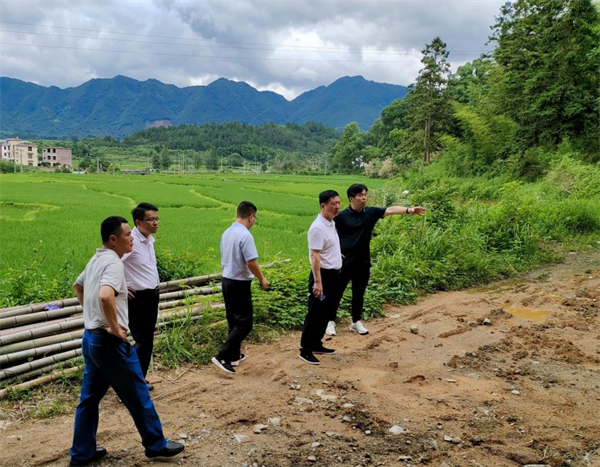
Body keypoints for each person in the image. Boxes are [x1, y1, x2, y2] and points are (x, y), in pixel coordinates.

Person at [69, 216, 183, 466]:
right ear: (113, 239)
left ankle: (82, 453)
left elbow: (78, 287)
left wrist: (93, 317)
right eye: (127, 235)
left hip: (91, 339)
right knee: (138, 393)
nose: (132, 238)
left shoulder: (96, 259)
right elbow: (105, 295)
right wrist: (113, 326)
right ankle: (156, 444)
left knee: (89, 399)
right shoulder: (113, 263)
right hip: (108, 343)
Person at [327, 184, 425, 336]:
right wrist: (334, 253)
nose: (364, 197)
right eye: (360, 195)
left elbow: (390, 210)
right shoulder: (341, 216)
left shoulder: (371, 213)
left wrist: (409, 210)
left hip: (363, 262)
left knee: (359, 293)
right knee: (336, 293)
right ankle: (330, 321)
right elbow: (328, 234)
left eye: (365, 194)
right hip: (344, 263)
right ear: (351, 198)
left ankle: (356, 321)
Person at [212, 201, 269, 374]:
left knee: (234, 321)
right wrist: (262, 278)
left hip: (227, 281)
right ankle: (222, 356)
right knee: (245, 323)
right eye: (255, 218)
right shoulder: (245, 235)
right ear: (251, 217)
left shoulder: (227, 232)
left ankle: (234, 355)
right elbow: (251, 262)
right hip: (239, 283)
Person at [299, 190, 342, 365]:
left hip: (333, 275)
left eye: (338, 203)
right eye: (333, 204)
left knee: (326, 312)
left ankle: (316, 343)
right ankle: (305, 349)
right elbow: (314, 256)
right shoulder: (317, 227)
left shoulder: (331, 222)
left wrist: (336, 256)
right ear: (323, 206)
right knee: (316, 312)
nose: (337, 206)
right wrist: (318, 283)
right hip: (322, 276)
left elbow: (326, 248)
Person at [122, 202, 161, 390]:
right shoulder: (131, 242)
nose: (155, 223)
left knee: (146, 341)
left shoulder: (148, 239)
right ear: (138, 222)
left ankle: (137, 380)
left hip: (151, 296)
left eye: (157, 219)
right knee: (143, 341)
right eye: (151, 220)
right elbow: (111, 262)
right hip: (138, 298)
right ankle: (131, 384)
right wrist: (121, 287)